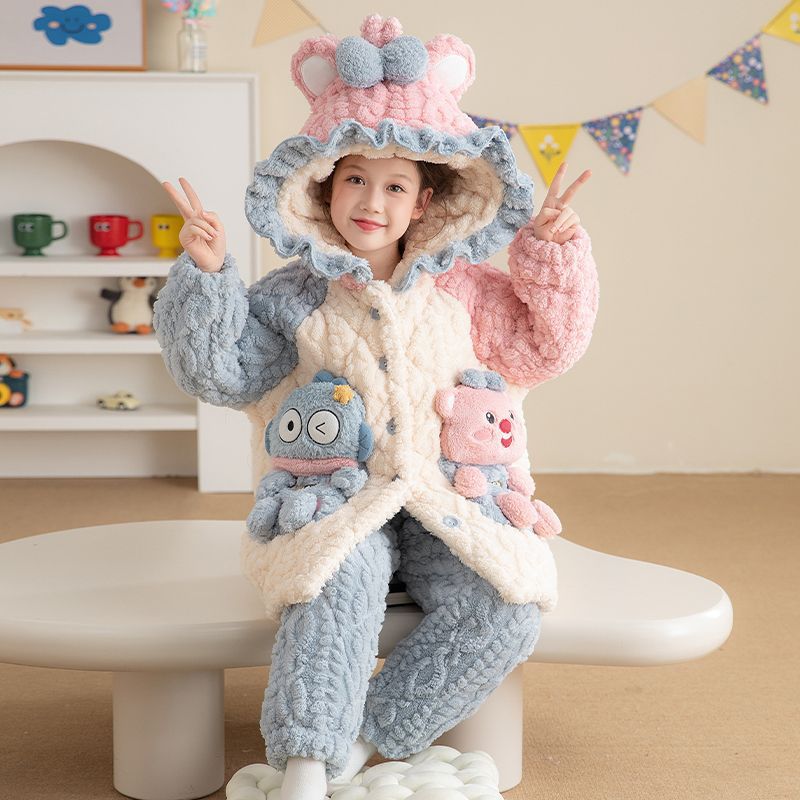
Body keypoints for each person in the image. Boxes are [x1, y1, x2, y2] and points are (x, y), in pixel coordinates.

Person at [154, 14, 597, 800]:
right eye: (355, 179)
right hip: (336, 498)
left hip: (452, 499)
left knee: (506, 606)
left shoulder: (467, 293)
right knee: (334, 586)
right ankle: (305, 764)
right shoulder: (293, 297)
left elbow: (547, 345)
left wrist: (553, 252)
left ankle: (364, 741)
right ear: (325, 185)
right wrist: (209, 276)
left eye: (395, 186)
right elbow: (222, 372)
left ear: (425, 202)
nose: (371, 201)